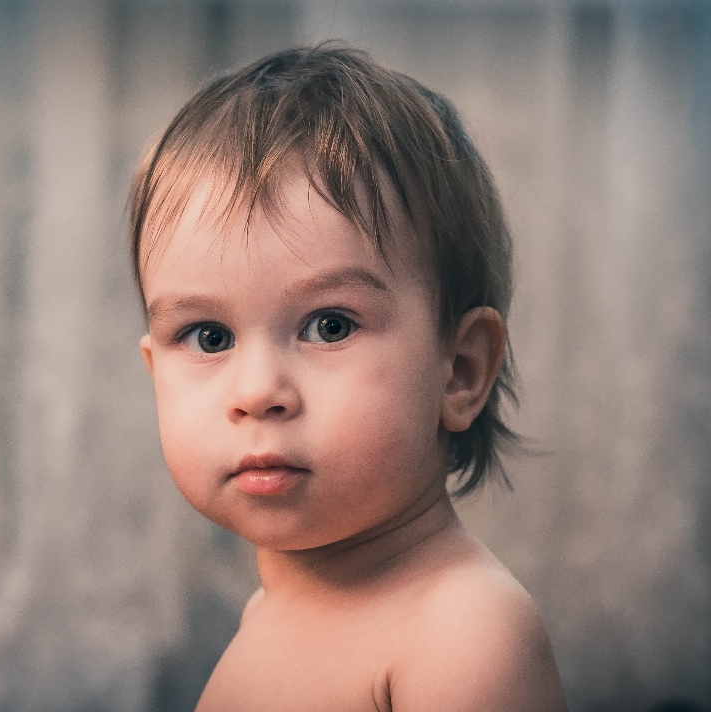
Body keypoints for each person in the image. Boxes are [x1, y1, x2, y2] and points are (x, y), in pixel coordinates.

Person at [130, 45, 567, 711]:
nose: (256, 393)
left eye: (330, 325)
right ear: (155, 371)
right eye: (210, 337)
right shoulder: (271, 608)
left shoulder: (464, 634)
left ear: (461, 371)